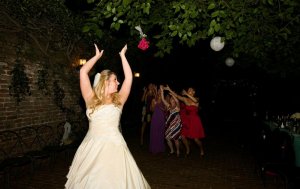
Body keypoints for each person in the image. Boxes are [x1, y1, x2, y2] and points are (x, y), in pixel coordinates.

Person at [65, 44, 151, 189]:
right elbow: (83, 72)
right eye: (115, 80)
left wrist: (123, 56)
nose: (118, 82)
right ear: (106, 81)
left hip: (114, 147)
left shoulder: (120, 100)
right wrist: (96, 57)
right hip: (92, 147)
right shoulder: (90, 98)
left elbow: (129, 78)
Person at [166, 85, 205, 157]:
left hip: (195, 120)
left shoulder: (196, 98)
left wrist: (186, 94)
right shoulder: (185, 99)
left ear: (194, 92)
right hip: (187, 120)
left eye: (190, 90)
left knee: (196, 139)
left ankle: (201, 149)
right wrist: (169, 90)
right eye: (188, 90)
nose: (188, 91)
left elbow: (195, 101)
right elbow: (177, 96)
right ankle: (188, 150)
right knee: (183, 136)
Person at [161, 85, 182, 157]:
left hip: (176, 125)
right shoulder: (169, 106)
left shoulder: (177, 107)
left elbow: (177, 100)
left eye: (173, 99)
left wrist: (170, 91)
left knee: (175, 139)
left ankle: (178, 151)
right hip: (169, 125)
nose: (172, 100)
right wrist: (161, 91)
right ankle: (172, 150)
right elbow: (163, 99)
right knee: (167, 137)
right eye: (171, 99)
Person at [149, 85, 166, 154]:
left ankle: (160, 149)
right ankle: (154, 149)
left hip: (161, 117)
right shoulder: (154, 99)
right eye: (159, 90)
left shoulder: (164, 99)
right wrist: (154, 104)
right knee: (154, 131)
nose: (159, 91)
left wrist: (161, 107)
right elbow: (151, 110)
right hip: (155, 117)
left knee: (161, 132)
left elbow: (166, 109)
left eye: (161, 90)